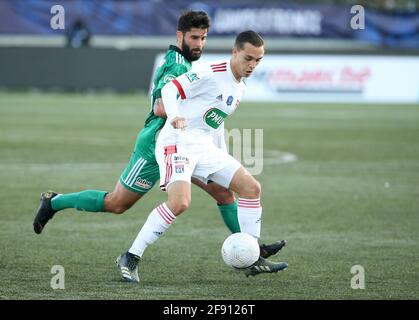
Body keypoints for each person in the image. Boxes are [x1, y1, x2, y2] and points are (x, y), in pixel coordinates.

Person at [33, 11, 286, 257]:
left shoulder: (192, 65)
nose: (199, 44)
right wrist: (182, 112)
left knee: (223, 191)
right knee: (117, 203)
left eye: (204, 38)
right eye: (194, 38)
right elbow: (160, 106)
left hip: (188, 146)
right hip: (158, 143)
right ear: (180, 36)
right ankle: (55, 202)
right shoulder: (177, 66)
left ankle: (251, 251)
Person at [116, 30, 288, 283]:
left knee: (251, 188)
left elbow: (214, 123)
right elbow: (170, 90)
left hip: (203, 146)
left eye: (258, 60)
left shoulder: (240, 85)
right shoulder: (212, 72)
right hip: (176, 141)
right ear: (235, 52)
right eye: (248, 58)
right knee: (180, 203)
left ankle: (251, 256)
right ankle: (130, 256)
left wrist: (224, 159)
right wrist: (174, 115)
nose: (252, 65)